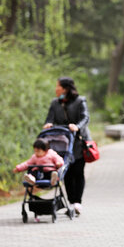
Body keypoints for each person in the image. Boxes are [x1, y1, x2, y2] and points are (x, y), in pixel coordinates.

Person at [43, 77, 91, 215]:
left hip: (79, 142)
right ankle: (71, 202)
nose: (55, 89)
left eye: (57, 86)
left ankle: (78, 202)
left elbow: (85, 118)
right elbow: (49, 118)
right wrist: (48, 124)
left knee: (78, 172)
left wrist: (77, 126)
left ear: (65, 88)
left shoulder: (80, 101)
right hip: (62, 143)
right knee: (67, 173)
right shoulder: (55, 103)